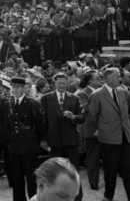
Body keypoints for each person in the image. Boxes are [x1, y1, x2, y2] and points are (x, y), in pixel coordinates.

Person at [88, 68, 130, 201]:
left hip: (126, 135)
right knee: (110, 169)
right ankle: (108, 196)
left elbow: (125, 113)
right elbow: (92, 116)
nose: (120, 79)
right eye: (117, 77)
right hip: (109, 138)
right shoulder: (97, 95)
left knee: (129, 168)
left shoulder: (123, 92)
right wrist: (100, 130)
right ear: (109, 78)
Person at [39, 73, 85, 201]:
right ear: (54, 83)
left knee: (73, 171)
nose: (62, 85)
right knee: (55, 172)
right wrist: (43, 139)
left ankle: (77, 197)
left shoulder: (74, 98)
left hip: (70, 141)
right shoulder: (46, 98)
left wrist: (73, 117)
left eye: (64, 83)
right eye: (59, 83)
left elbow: (82, 117)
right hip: (54, 141)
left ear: (68, 82)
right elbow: (43, 121)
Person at [6, 76, 45, 201]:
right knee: (17, 178)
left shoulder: (33, 104)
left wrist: (35, 141)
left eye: (18, 87)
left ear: (24, 88)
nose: (15, 90)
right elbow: (7, 125)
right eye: (13, 87)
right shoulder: (9, 104)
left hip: (29, 145)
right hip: (15, 144)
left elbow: (40, 126)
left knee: (32, 178)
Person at [76, 70, 102, 190]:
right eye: (97, 78)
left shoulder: (103, 91)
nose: (100, 80)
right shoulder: (83, 93)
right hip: (92, 129)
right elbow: (87, 110)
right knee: (93, 157)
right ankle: (93, 181)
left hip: (107, 128)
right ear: (90, 80)